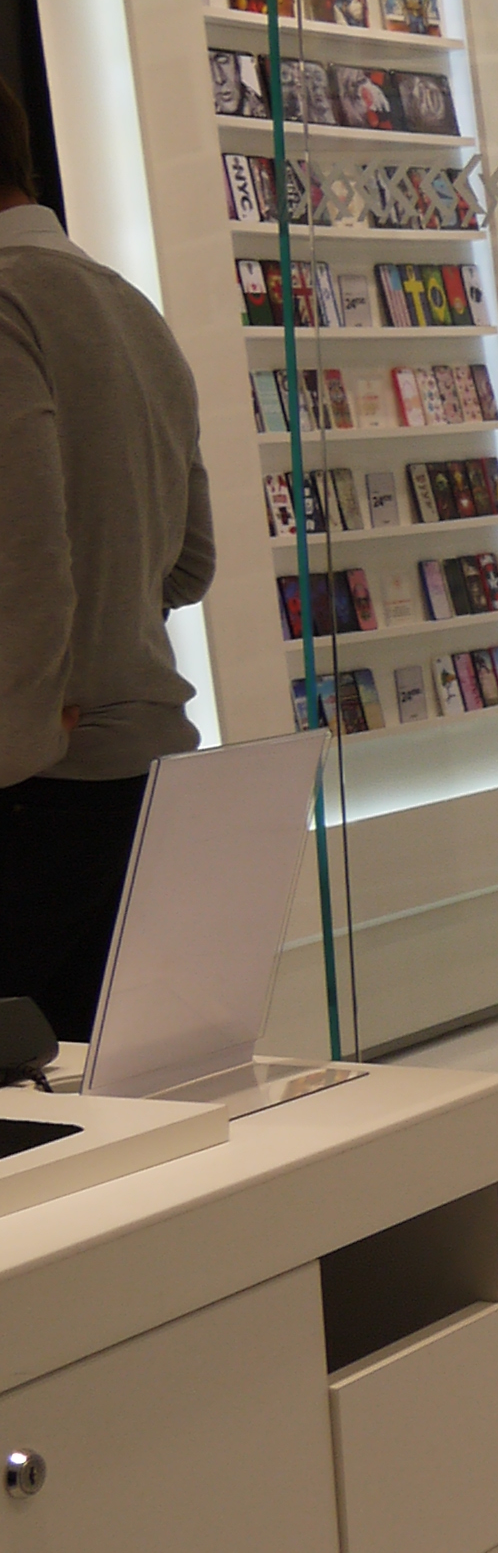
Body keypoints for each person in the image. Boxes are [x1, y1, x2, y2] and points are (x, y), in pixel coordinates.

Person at [0, 79, 217, 1041]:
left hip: (36, 788)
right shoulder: (128, 305)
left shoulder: (7, 302)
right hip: (139, 776)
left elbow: (24, 556)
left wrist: (21, 737)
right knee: (95, 1089)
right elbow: (189, 564)